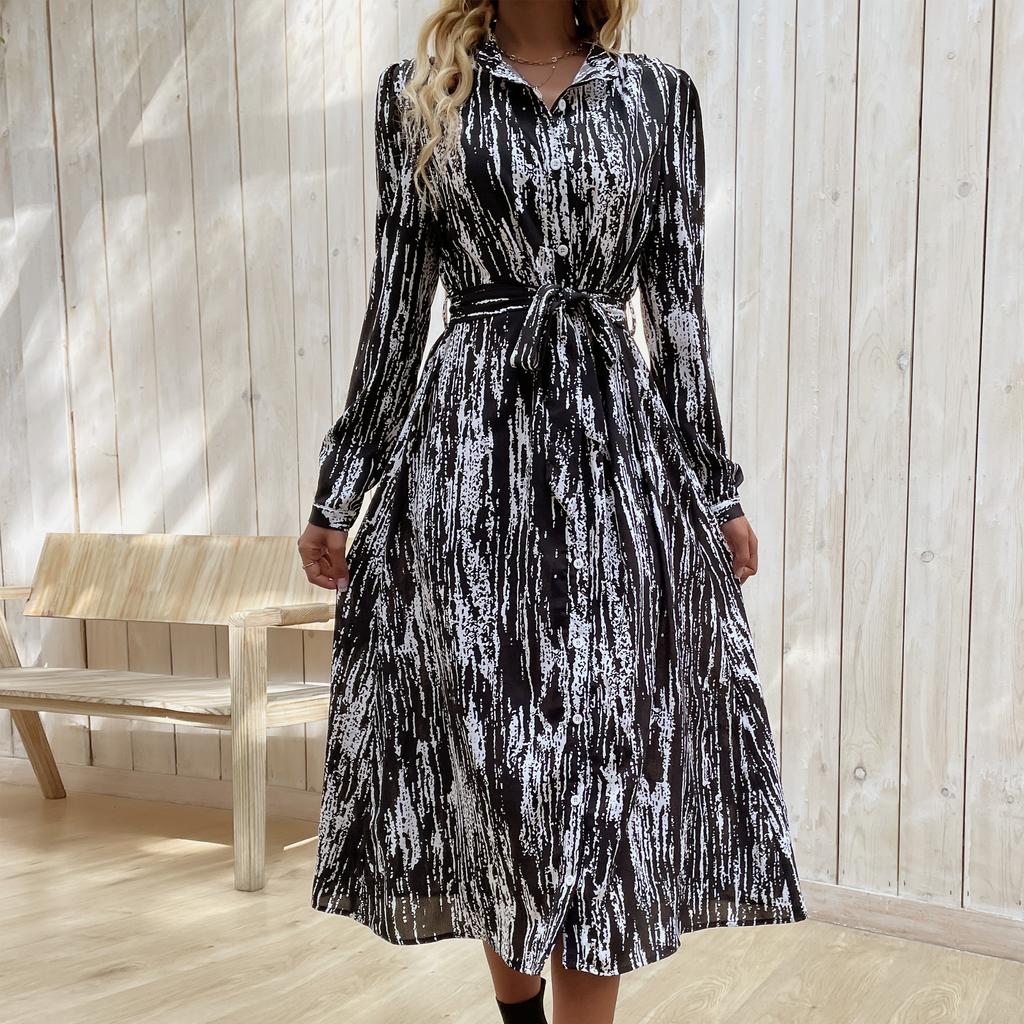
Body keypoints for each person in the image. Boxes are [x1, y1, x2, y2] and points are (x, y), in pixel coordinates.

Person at [297, 1, 807, 1021]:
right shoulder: (420, 95)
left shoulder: (657, 99)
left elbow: (678, 310)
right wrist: (341, 489)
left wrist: (717, 487)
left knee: (600, 773)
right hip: (465, 469)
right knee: (498, 773)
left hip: (612, 464)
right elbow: (396, 306)